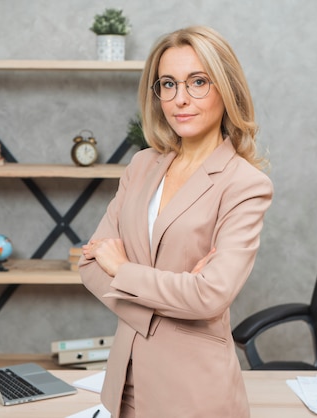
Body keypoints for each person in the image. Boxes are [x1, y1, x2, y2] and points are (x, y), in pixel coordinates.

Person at [79, 25, 273, 418]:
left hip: (192, 392)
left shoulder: (245, 185)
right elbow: (88, 266)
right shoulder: (142, 164)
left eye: (198, 82)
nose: (180, 99)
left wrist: (122, 268)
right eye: (168, 84)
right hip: (123, 384)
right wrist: (175, 294)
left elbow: (210, 296)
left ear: (227, 89)